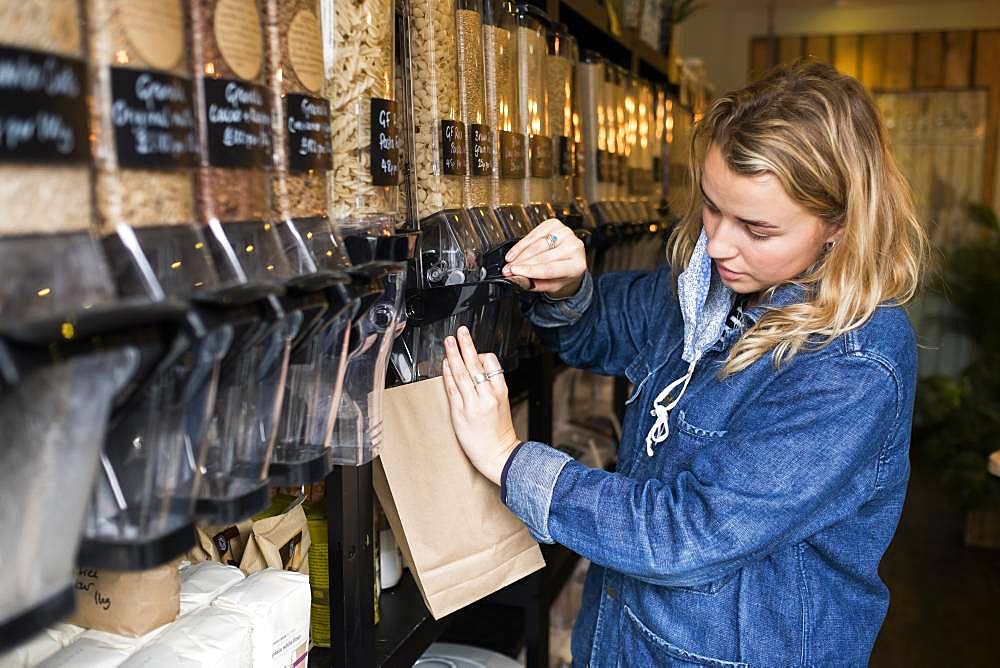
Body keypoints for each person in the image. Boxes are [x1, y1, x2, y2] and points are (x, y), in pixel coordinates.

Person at [440, 60, 927, 667]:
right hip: (626, 639)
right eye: (712, 206)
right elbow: (605, 327)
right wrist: (568, 288)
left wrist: (508, 460)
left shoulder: (853, 362)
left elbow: (686, 534)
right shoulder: (712, 287)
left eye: (757, 227)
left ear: (839, 225)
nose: (719, 243)